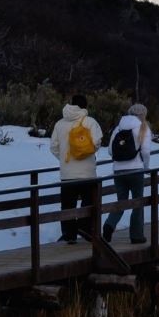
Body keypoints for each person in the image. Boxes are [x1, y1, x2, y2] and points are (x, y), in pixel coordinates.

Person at [49, 94, 103, 243]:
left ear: (72, 104)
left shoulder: (60, 123)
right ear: (85, 106)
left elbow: (53, 147)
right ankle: (84, 229)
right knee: (89, 203)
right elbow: (97, 141)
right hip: (87, 173)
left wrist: (65, 159)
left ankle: (69, 235)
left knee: (67, 205)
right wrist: (88, 152)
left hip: (67, 174)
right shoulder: (89, 121)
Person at [103, 104, 151, 244]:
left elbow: (110, 151)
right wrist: (145, 167)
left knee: (121, 201)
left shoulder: (118, 127)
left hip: (118, 171)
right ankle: (137, 236)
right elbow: (146, 151)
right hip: (136, 171)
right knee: (137, 202)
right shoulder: (143, 127)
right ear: (143, 115)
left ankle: (109, 225)